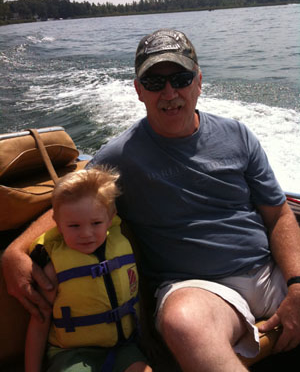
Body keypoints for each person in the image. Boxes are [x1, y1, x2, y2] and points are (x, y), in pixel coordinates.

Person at [2, 29, 300, 372]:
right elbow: (70, 200)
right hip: (200, 290)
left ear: (199, 82)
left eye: (181, 78)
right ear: (139, 90)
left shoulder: (238, 136)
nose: (170, 92)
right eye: (155, 82)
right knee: (184, 322)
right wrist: (16, 250)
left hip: (268, 270)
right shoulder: (121, 156)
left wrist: (296, 283)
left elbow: (278, 214)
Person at [24, 167, 152, 372]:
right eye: (74, 226)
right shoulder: (54, 268)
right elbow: (40, 322)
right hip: (72, 353)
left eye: (96, 223)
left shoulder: (124, 245)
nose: (86, 233)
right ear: (57, 223)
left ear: (110, 219)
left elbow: (136, 297)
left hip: (123, 347)